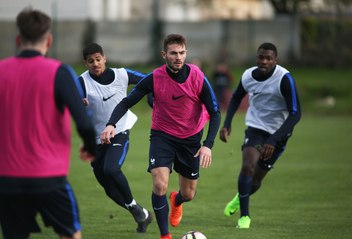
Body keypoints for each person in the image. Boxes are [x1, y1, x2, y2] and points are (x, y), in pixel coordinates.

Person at [100, 34, 221, 239]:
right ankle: (165, 235)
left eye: (182, 53)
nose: (178, 57)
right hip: (162, 137)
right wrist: (111, 124)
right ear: (164, 55)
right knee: (159, 184)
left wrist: (207, 145)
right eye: (173, 53)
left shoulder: (198, 77)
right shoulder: (154, 78)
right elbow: (126, 102)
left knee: (189, 194)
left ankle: (177, 201)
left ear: (186, 53)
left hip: (191, 139)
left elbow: (215, 112)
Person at [0, 8, 96, 239]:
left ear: (18, 39)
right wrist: (90, 148)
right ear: (49, 40)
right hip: (49, 177)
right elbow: (83, 121)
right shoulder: (59, 72)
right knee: (71, 235)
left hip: (7, 179)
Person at [220, 42, 301, 229]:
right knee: (247, 167)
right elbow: (236, 97)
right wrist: (227, 124)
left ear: (275, 60)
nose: (264, 61)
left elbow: (296, 113)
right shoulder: (248, 75)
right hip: (255, 128)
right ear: (257, 57)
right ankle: (245, 217)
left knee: (255, 180)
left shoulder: (284, 78)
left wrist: (274, 140)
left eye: (268, 58)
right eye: (261, 57)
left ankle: (239, 199)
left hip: (279, 132)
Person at [78, 43, 153, 233]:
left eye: (98, 59)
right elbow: (68, 103)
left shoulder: (121, 75)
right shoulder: (82, 83)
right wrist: (79, 104)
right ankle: (140, 212)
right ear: (85, 63)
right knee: (109, 188)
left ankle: (137, 211)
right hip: (95, 141)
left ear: (104, 58)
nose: (95, 64)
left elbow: (150, 81)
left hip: (120, 130)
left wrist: (152, 98)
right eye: (90, 61)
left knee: (111, 169)